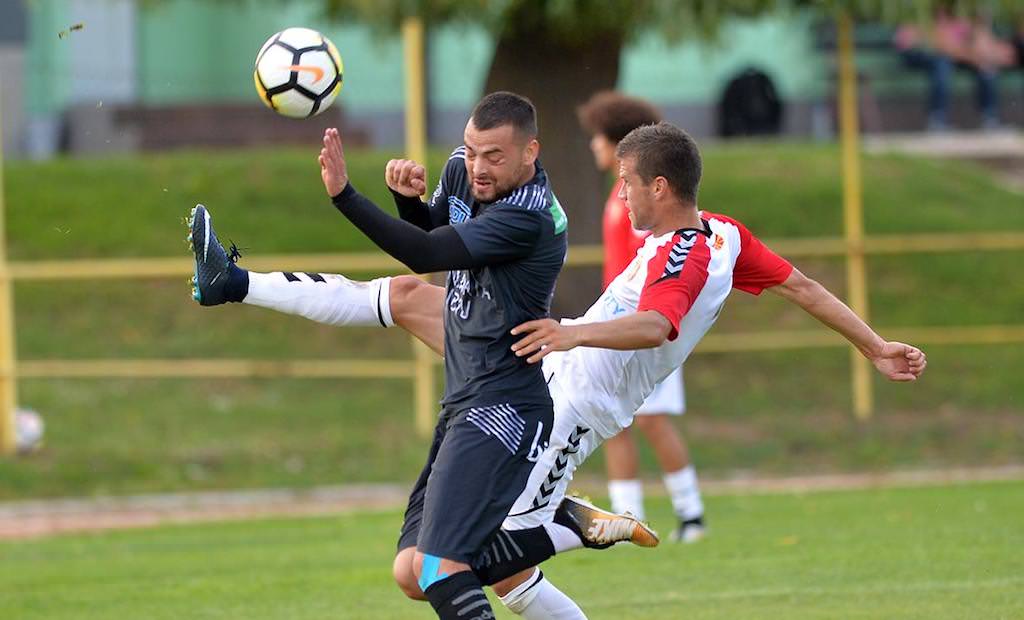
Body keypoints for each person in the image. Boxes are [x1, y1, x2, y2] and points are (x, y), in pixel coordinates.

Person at [189, 122, 927, 619]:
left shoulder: (689, 251)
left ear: (660, 189)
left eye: (628, 184)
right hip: (538, 370)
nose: (621, 194)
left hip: (572, 410)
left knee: (450, 570)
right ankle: (237, 284)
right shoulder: (728, 235)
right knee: (416, 298)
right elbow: (801, 285)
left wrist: (572, 333)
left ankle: (573, 520)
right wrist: (872, 345)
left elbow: (654, 325)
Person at [577, 91, 705, 542]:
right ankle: (626, 517)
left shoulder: (642, 200)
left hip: (648, 323)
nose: (594, 146)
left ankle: (691, 513)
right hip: (621, 324)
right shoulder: (620, 195)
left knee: (652, 419)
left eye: (598, 137)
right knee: (617, 422)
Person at [894, 7, 1015, 130]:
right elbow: (941, 45)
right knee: (941, 64)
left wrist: (982, 27)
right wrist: (974, 58)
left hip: (953, 56)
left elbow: (980, 47)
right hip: (919, 53)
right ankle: (937, 120)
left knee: (986, 69)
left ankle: (990, 118)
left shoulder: (962, 16)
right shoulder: (921, 12)